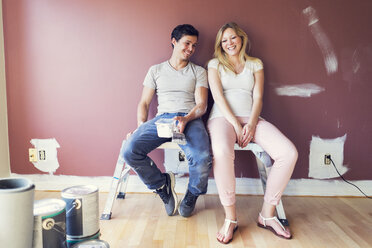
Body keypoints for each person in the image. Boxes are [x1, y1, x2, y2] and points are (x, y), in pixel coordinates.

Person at [207, 22, 298, 244]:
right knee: (221, 151)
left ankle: (267, 214)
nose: (229, 43)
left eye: (233, 38)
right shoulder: (214, 64)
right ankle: (230, 219)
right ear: (220, 44)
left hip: (252, 118)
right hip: (222, 118)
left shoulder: (255, 64)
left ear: (241, 38)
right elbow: (218, 97)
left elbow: (258, 98)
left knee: (289, 153)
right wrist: (237, 126)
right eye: (224, 40)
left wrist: (252, 123)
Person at [122, 24, 212, 218]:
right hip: (162, 119)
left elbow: (202, 105)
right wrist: (140, 127)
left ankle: (192, 194)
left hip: (191, 118)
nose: (190, 49)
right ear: (174, 41)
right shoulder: (156, 70)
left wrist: (186, 118)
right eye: (187, 43)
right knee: (129, 150)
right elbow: (144, 103)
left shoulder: (199, 71)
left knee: (202, 158)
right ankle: (162, 185)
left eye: (194, 45)